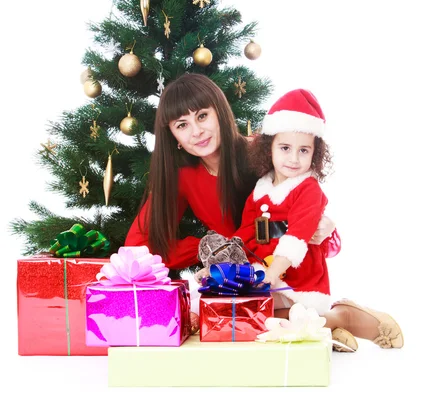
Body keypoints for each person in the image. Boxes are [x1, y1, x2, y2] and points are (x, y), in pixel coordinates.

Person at [124, 73, 403, 351]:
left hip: (281, 264)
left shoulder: (259, 152)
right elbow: (139, 243)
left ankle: (344, 316)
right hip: (238, 270)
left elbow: (302, 195)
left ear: (219, 112)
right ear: (172, 135)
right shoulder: (181, 177)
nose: (196, 131)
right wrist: (209, 250)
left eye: (202, 116)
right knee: (230, 318)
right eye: (182, 124)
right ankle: (324, 326)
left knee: (246, 316)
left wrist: (325, 223)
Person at [235, 88, 334, 316]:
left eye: (304, 150)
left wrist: (271, 275)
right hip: (264, 270)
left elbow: (297, 235)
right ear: (269, 147)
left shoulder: (308, 188)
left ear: (315, 153)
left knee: (259, 311)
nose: (294, 159)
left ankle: (337, 319)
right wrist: (220, 265)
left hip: (298, 277)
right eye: (285, 148)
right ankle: (329, 326)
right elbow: (245, 232)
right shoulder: (261, 190)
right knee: (247, 309)